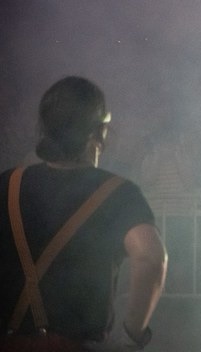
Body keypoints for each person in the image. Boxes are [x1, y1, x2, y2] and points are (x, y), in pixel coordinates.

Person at [0, 76, 167, 352]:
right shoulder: (118, 193)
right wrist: (132, 335)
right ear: (98, 132)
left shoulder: (8, 184)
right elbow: (150, 256)